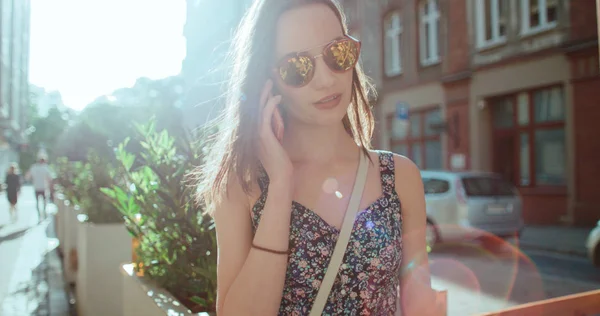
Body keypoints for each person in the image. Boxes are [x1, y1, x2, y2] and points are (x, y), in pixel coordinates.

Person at [197, 0, 439, 315]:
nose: (326, 79)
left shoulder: (399, 176)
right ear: (266, 80)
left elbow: (420, 303)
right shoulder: (241, 185)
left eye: (338, 53)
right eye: (297, 67)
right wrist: (281, 184)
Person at [26, 157, 54, 222]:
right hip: (44, 187)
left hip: (36, 187)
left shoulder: (34, 167)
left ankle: (39, 216)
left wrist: (33, 179)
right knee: (44, 202)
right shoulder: (46, 167)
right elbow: (50, 178)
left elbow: (27, 176)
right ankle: (44, 214)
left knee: (37, 202)